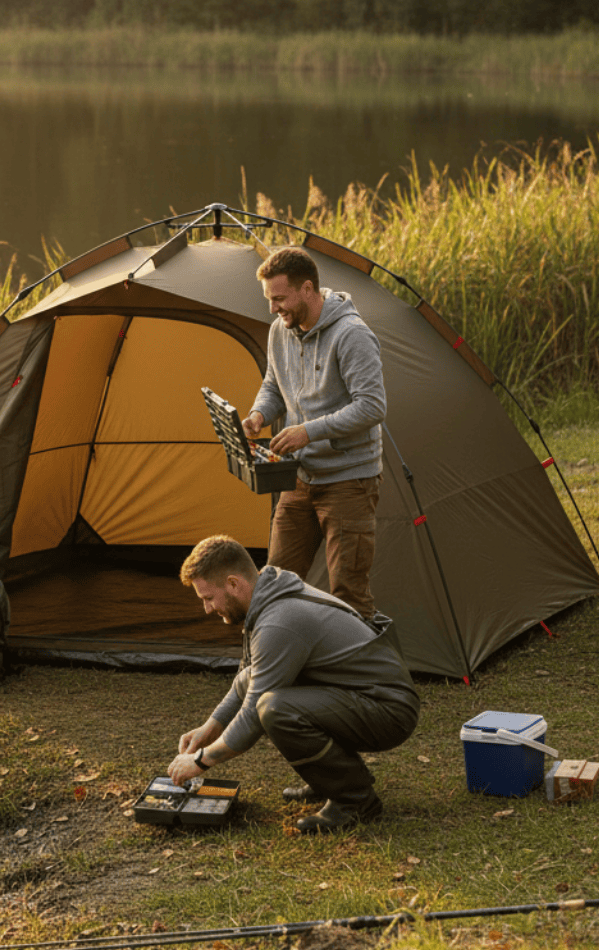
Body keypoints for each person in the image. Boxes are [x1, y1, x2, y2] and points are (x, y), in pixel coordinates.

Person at [167, 535, 418, 833]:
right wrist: (209, 729)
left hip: (388, 709)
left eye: (208, 598)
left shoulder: (279, 620)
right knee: (270, 699)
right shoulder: (270, 592)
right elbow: (248, 678)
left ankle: (355, 800)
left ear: (234, 584)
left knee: (275, 709)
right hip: (364, 697)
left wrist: (201, 761)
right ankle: (330, 781)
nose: (207, 609)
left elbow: (252, 714)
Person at [244, 244, 386, 618]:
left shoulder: (351, 334)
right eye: (269, 300)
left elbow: (372, 406)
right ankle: (273, 668)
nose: (273, 308)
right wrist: (259, 414)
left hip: (349, 481)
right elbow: (274, 385)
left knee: (349, 594)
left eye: (279, 298)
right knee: (275, 582)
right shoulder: (280, 330)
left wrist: (308, 432)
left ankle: (360, 674)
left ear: (307, 289)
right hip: (299, 479)